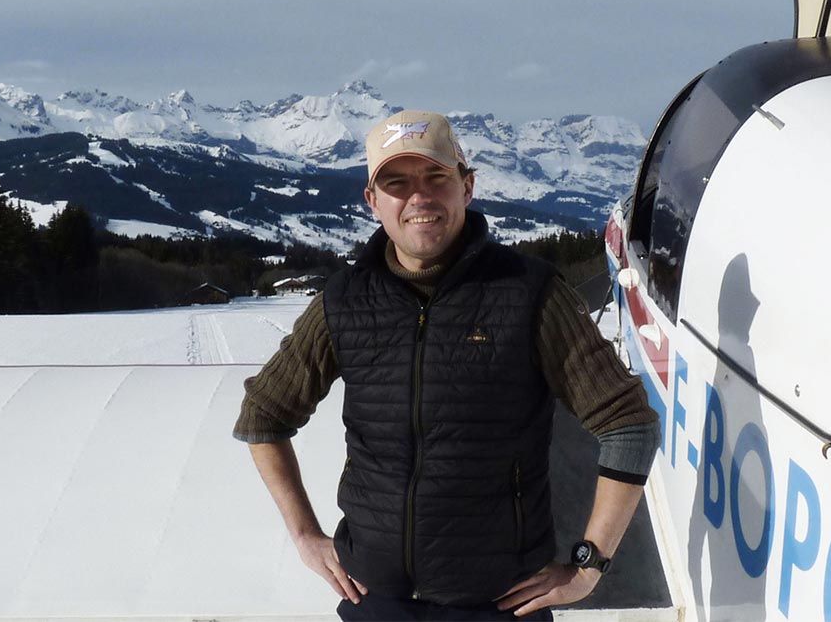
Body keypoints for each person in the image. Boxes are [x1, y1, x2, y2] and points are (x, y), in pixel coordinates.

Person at [234, 110, 660, 621]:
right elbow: (263, 416)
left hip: (501, 605)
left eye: (436, 176)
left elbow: (629, 425)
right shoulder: (345, 301)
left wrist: (589, 564)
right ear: (373, 201)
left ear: (467, 186)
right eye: (397, 182)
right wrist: (304, 536)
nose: (419, 197)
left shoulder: (529, 293)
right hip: (375, 602)